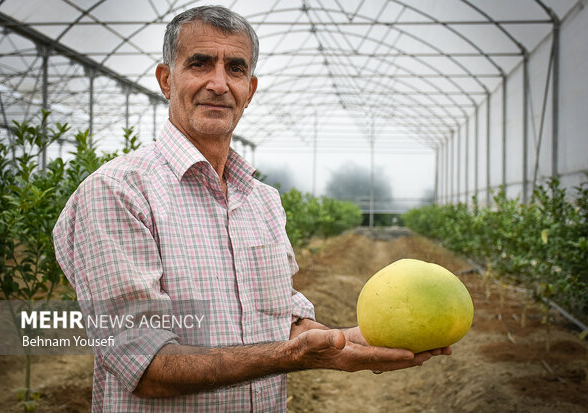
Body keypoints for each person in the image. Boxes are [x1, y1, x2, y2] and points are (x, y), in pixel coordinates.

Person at [53, 5, 451, 412]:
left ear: (251, 89)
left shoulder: (262, 200)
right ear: (166, 80)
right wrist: (295, 356)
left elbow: (279, 314)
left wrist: (344, 338)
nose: (219, 83)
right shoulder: (117, 193)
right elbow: (145, 366)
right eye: (200, 64)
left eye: (236, 69)